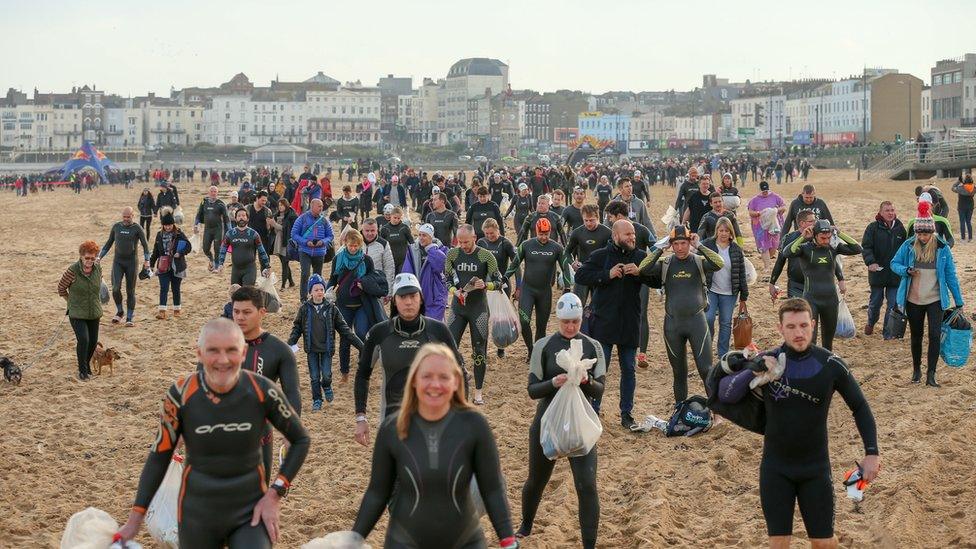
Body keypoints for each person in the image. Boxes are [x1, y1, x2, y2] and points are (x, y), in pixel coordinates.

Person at [117, 319, 310, 548]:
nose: (223, 360)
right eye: (213, 351)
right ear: (199, 353)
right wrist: (135, 519)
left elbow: (300, 439)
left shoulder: (262, 390)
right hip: (197, 513)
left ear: (244, 352)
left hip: (250, 512)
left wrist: (275, 493)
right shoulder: (181, 394)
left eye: (231, 350)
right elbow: (159, 456)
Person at [717, 299, 879, 548]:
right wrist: (753, 370)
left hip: (815, 469)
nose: (799, 332)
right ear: (780, 328)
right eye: (791, 327)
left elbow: (860, 407)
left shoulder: (830, 365)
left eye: (804, 325)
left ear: (813, 325)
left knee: (823, 543)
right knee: (779, 543)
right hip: (775, 469)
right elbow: (725, 395)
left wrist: (872, 453)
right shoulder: (768, 361)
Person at [352, 343, 516, 548]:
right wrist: (354, 539)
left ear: (456, 382)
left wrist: (508, 539)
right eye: (427, 376)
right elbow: (377, 492)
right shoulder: (392, 429)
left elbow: (492, 489)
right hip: (405, 540)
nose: (435, 384)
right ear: (413, 381)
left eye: (444, 377)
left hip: (465, 541)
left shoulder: (474, 426)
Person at [517, 293, 605, 548]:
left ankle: (589, 543)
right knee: (536, 480)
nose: (570, 327)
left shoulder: (592, 346)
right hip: (548, 421)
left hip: (579, 423)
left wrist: (586, 380)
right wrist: (553, 382)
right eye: (566, 322)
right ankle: (526, 525)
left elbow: (600, 391)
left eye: (576, 322)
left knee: (586, 483)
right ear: (558, 319)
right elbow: (533, 390)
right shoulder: (543, 346)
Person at [353, 273, 467, 444]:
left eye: (413, 296)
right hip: (392, 422)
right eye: (402, 296)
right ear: (394, 301)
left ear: (421, 299)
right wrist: (361, 418)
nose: (408, 302)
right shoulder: (380, 333)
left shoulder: (438, 331)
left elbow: (460, 373)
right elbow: (363, 374)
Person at [575, 220, 653, 428]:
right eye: (627, 234)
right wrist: (606, 275)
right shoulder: (601, 256)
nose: (632, 237)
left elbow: (657, 280)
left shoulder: (640, 257)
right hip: (604, 322)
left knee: (629, 369)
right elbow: (581, 275)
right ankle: (594, 409)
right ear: (615, 236)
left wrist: (640, 272)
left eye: (633, 234)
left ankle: (626, 414)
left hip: (629, 322)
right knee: (601, 369)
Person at [640, 226, 724, 404]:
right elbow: (643, 268)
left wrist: (699, 246)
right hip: (673, 325)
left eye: (683, 243)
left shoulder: (698, 261)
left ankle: (717, 413)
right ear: (671, 245)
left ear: (689, 243)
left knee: (705, 369)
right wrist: (660, 249)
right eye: (676, 244)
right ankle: (680, 410)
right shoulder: (666, 263)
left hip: (697, 323)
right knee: (679, 373)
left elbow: (719, 263)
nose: (680, 248)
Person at [229, 286, 302, 482]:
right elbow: (198, 387)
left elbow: (292, 393)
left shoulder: (278, 350)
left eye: (246, 312)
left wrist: (290, 432)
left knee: (258, 497)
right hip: (220, 435)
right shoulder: (220, 346)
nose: (240, 317)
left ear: (262, 312)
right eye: (236, 311)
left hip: (259, 438)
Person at [890, 201, 964, 387]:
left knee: (935, 335)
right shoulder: (908, 246)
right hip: (913, 299)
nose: (922, 237)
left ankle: (931, 374)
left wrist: (959, 301)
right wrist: (906, 270)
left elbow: (951, 276)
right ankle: (916, 371)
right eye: (919, 233)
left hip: (936, 299)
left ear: (932, 232)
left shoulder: (942, 248)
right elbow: (894, 263)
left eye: (926, 234)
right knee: (916, 335)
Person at [782, 220, 863, 351]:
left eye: (828, 237)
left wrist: (840, 233)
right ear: (814, 235)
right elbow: (787, 252)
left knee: (828, 342)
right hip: (811, 299)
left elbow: (857, 249)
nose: (826, 241)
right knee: (811, 339)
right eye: (822, 238)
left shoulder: (833, 248)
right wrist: (802, 237)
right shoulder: (805, 249)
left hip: (830, 300)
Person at [445, 224, 502, 405]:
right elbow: (446, 279)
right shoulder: (452, 254)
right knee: (449, 347)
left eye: (466, 242)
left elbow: (500, 281)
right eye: (460, 242)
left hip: (478, 309)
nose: (462, 245)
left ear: (475, 238)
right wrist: (455, 290)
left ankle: (478, 391)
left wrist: (486, 285)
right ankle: (458, 377)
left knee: (479, 350)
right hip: (458, 307)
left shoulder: (486, 256)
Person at [288, 274, 363, 410]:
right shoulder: (304, 309)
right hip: (311, 349)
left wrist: (362, 346)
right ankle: (317, 399)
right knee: (314, 377)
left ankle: (327, 385)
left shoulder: (331, 309)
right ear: (310, 292)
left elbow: (346, 330)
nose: (319, 292)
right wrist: (290, 343)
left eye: (322, 289)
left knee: (326, 375)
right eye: (316, 289)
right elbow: (297, 327)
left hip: (327, 349)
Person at [506, 217, 572, 357]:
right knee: (524, 321)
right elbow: (515, 264)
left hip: (544, 292)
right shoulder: (527, 245)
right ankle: (530, 349)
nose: (543, 237)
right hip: (528, 290)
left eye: (546, 234)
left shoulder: (556, 247)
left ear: (550, 232)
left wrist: (567, 287)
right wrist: (505, 277)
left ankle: (537, 352)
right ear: (536, 232)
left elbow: (565, 268)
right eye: (541, 234)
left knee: (541, 327)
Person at [329, 229, 384, 382]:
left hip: (362, 304)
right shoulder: (338, 259)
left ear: (360, 245)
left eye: (356, 246)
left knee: (361, 334)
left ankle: (362, 366)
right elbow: (333, 279)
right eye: (350, 246)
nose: (353, 249)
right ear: (345, 244)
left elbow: (373, 277)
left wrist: (364, 284)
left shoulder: (366, 260)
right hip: (343, 305)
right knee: (345, 339)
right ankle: (344, 371)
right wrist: (327, 290)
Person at [604, 200, 653, 368]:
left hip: (639, 279)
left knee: (641, 314)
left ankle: (642, 354)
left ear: (618, 216)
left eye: (610, 217)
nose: (609, 220)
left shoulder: (642, 230)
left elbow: (656, 249)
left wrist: (644, 269)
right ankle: (627, 352)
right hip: (619, 281)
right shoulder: (613, 233)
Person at [770, 211, 846, 301]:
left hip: (818, 285)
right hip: (796, 285)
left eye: (816, 220)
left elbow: (831, 258)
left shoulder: (819, 237)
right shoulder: (788, 238)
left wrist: (841, 279)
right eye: (812, 221)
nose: (816, 223)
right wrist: (772, 283)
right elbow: (780, 262)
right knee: (797, 312)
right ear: (802, 223)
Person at [702, 217, 749, 358]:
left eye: (726, 231)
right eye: (720, 230)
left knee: (726, 322)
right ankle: (706, 348)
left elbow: (741, 273)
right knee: (708, 318)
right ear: (716, 231)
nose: (723, 233)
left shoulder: (736, 250)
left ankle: (723, 352)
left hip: (729, 292)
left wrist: (744, 296)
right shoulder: (707, 245)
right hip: (711, 290)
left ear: (731, 233)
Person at [97, 207, 151, 327]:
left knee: (130, 291)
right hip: (118, 262)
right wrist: (99, 257)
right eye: (124, 217)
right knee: (116, 288)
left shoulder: (137, 228)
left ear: (133, 216)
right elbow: (109, 243)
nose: (126, 219)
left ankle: (129, 317)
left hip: (132, 262)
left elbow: (145, 246)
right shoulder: (117, 227)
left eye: (128, 217)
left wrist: (147, 260)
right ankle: (120, 311)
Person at [58, 240, 104, 380]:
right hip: (77, 312)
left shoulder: (98, 268)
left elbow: (100, 283)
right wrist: (70, 302)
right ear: (81, 256)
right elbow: (61, 289)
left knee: (93, 341)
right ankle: (82, 370)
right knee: (83, 339)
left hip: (94, 311)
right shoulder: (72, 271)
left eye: (93, 258)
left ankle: (87, 365)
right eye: (87, 258)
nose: (90, 261)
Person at [861, 201, 907, 338]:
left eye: (892, 210)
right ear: (880, 212)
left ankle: (888, 333)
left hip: (895, 275)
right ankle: (871, 322)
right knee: (875, 303)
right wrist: (871, 262)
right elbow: (866, 247)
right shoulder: (872, 228)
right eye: (887, 210)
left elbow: (905, 250)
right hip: (877, 273)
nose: (890, 213)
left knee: (892, 304)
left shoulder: (900, 228)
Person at [564, 204, 613, 306]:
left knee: (599, 308)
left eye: (592, 220)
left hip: (600, 274)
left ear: (597, 218)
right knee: (576, 307)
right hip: (583, 272)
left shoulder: (607, 233)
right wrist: (573, 263)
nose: (588, 223)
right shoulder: (577, 232)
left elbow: (613, 253)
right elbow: (567, 252)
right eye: (586, 220)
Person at [150, 209, 192, 319]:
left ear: (173, 224)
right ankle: (162, 311)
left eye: (169, 225)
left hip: (176, 265)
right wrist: (151, 264)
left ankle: (177, 309)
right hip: (163, 265)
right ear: (163, 225)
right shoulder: (159, 235)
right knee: (163, 287)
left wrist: (180, 253)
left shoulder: (179, 234)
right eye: (165, 225)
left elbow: (188, 246)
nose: (168, 227)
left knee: (175, 288)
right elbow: (155, 251)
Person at [402, 224, 449, 321]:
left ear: (431, 237)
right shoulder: (413, 250)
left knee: (435, 327)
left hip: (436, 295)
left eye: (424, 235)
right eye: (419, 235)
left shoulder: (441, 249)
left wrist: (431, 249)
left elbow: (440, 267)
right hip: (417, 294)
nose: (421, 238)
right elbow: (407, 272)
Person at [290, 198, 335, 299]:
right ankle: (303, 298)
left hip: (320, 252)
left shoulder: (324, 220)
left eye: (322, 206)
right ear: (312, 206)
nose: (321, 208)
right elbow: (294, 234)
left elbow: (331, 236)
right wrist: (306, 242)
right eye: (319, 206)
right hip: (305, 251)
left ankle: (316, 298)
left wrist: (322, 242)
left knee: (317, 276)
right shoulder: (302, 218)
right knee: (305, 274)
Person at [216, 208, 272, 286]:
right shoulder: (230, 234)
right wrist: (221, 264)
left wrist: (267, 266)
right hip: (235, 270)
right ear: (235, 219)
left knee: (247, 293)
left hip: (249, 270)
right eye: (239, 216)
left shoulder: (254, 234)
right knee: (235, 294)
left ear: (247, 219)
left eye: (243, 215)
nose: (241, 217)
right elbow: (223, 249)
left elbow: (261, 251)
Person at [747, 181, 787, 270]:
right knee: (764, 246)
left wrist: (775, 210)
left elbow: (784, 207)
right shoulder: (754, 200)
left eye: (766, 190)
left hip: (774, 226)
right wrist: (759, 213)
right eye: (763, 191)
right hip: (760, 227)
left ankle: (768, 259)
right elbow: (750, 212)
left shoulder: (776, 197)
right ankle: (767, 267)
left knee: (774, 245)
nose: (765, 192)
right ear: (760, 190)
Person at [194, 185, 231, 270]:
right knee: (205, 248)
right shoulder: (204, 202)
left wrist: (230, 230)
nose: (213, 193)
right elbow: (198, 214)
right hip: (208, 229)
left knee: (217, 248)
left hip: (218, 229)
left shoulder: (221, 203)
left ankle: (217, 265)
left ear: (217, 193)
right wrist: (196, 225)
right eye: (212, 191)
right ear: (209, 192)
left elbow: (226, 218)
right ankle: (211, 259)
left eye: (215, 191)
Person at [361, 218, 395, 301]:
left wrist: (388, 291)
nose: (370, 233)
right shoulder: (355, 241)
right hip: (358, 286)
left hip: (376, 286)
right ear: (362, 230)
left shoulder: (383, 244)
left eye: (372, 230)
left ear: (377, 230)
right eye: (367, 231)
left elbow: (389, 268)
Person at [270, 198, 298, 290]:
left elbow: (285, 229)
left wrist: (274, 224)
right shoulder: (277, 215)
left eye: (281, 205)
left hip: (286, 241)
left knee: (285, 263)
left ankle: (283, 285)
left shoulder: (291, 215)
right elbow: (275, 230)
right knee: (284, 262)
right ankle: (291, 282)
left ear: (286, 205)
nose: (280, 207)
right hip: (279, 240)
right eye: (279, 205)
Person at [379, 206, 414, 274]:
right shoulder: (385, 229)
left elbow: (412, 242)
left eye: (399, 218)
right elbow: (381, 245)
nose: (397, 220)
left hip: (403, 260)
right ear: (391, 216)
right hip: (390, 260)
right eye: (395, 218)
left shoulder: (404, 228)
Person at [951, 174, 974, 243]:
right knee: (968, 222)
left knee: (962, 222)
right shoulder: (974, 188)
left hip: (961, 207)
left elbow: (953, 188)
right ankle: (970, 237)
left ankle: (963, 238)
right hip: (970, 206)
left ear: (965, 181)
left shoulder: (961, 188)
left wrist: (959, 181)